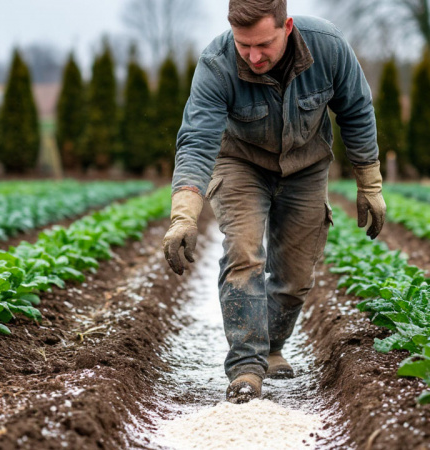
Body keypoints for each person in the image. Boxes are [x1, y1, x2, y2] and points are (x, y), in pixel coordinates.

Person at [163, 0, 386, 404]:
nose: (252, 56)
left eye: (263, 44)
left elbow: (355, 110)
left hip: (306, 165)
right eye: (243, 44)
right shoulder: (217, 63)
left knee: (296, 275)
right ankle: (247, 368)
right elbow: (197, 140)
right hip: (240, 163)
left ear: (287, 26)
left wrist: (369, 183)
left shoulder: (328, 47)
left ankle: (270, 346)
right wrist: (184, 215)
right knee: (245, 252)